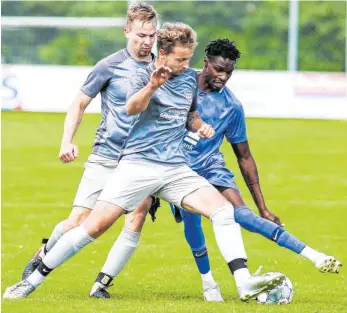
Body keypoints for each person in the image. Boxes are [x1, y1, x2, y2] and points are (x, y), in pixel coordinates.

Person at [4, 22, 285, 301]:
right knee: (92, 227)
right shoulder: (141, 75)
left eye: (189, 58)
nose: (188, 64)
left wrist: (199, 125)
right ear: (163, 53)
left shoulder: (188, 79)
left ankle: (244, 281)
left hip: (175, 168)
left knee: (224, 212)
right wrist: (153, 86)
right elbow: (131, 107)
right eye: (181, 59)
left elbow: (189, 114)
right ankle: (32, 281)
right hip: (138, 166)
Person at [87, 38, 342, 302]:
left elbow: (244, 156)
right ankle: (108, 282)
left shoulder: (232, 106)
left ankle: (312, 256)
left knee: (241, 215)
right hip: (171, 166)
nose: (223, 76)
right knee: (138, 215)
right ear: (206, 63)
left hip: (210, 167)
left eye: (229, 72)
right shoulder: (179, 82)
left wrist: (263, 207)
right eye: (219, 69)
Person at [20, 1, 160, 283]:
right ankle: (44, 253)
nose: (146, 41)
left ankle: (101, 284)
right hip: (106, 156)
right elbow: (79, 104)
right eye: (140, 35)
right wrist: (66, 141)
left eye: (151, 35)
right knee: (79, 221)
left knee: (137, 217)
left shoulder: (163, 68)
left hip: (142, 161)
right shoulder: (109, 66)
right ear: (126, 31)